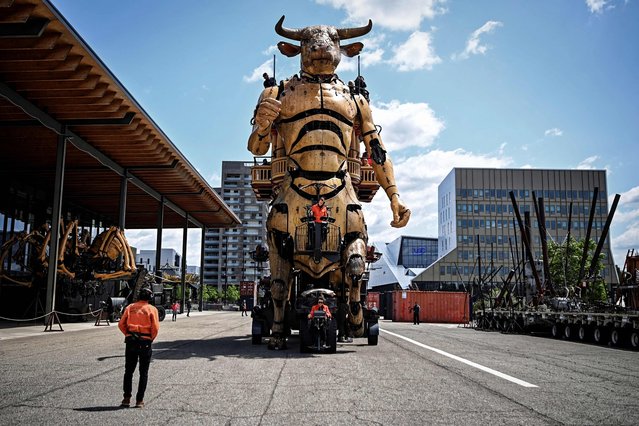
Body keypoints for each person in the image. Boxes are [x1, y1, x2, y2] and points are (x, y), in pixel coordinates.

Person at [118, 287, 160, 409]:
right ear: (150, 297)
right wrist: (150, 338)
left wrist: (128, 334)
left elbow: (121, 324)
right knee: (143, 372)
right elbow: (155, 328)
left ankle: (126, 398)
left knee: (128, 371)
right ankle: (139, 400)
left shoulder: (130, 307)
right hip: (145, 341)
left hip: (131, 341)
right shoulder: (152, 309)